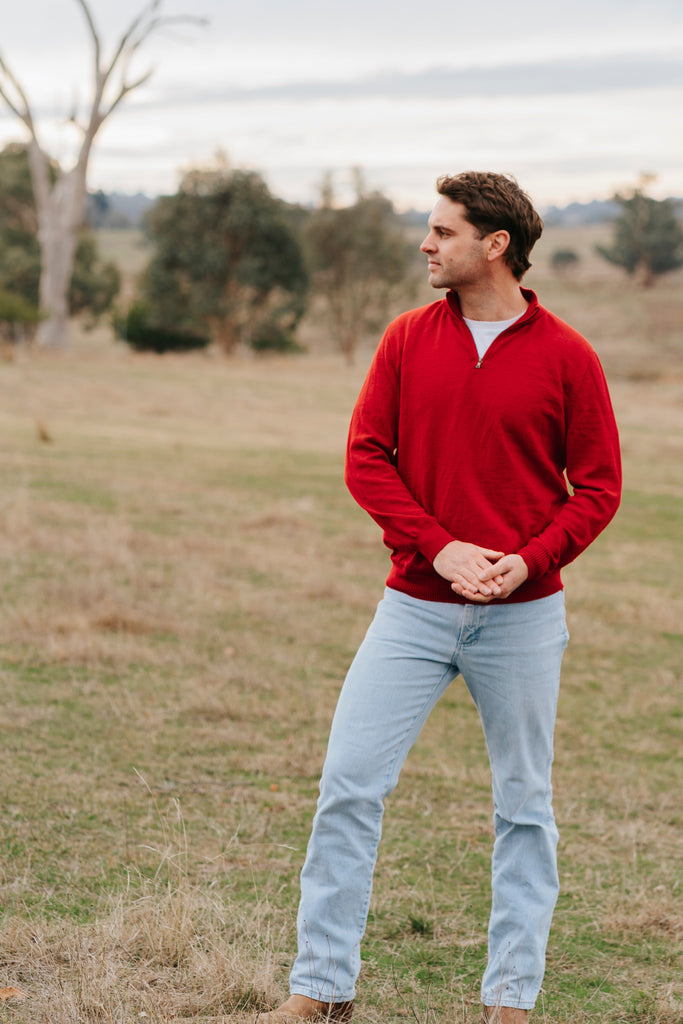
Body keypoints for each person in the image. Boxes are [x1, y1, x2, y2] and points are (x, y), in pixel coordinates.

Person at [261, 171, 622, 1024]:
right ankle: (319, 990)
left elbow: (597, 487)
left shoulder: (566, 355)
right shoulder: (404, 339)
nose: (426, 245)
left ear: (494, 245)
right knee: (349, 784)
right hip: (414, 608)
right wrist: (440, 544)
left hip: (524, 619)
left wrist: (528, 563)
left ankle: (509, 1002)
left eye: (442, 231)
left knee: (522, 807)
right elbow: (365, 458)